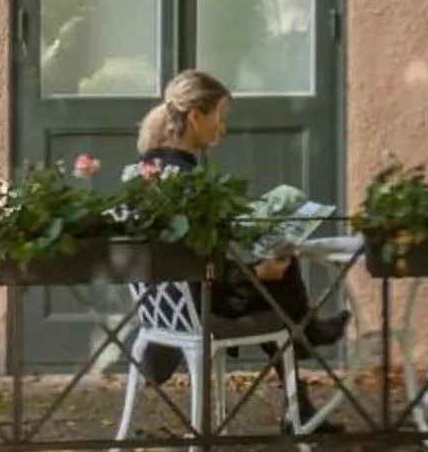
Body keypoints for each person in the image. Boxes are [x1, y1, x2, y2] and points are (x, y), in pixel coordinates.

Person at [129, 69, 344, 426]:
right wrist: (256, 272)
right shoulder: (181, 180)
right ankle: (306, 342)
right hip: (199, 305)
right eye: (220, 116)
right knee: (279, 272)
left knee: (275, 267)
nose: (223, 128)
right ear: (196, 117)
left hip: (167, 304)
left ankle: (301, 401)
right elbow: (192, 259)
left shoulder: (148, 169)